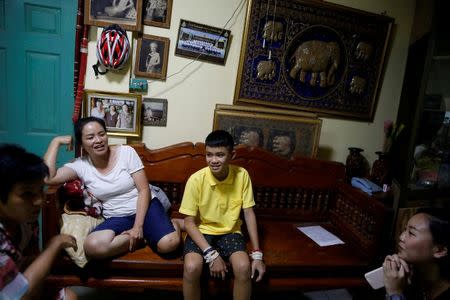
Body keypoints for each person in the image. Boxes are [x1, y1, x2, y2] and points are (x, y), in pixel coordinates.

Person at [43, 117, 183, 260]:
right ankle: (141, 238)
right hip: (117, 216)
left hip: (145, 207)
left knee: (169, 244)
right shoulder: (80, 166)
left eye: (102, 134)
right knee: (92, 246)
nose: (98, 140)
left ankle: (173, 224)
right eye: (90, 137)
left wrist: (137, 227)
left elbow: (144, 190)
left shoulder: (126, 152)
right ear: (82, 144)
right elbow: (48, 178)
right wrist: (56, 142)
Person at [179, 130, 266, 300]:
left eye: (220, 155)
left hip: (230, 232)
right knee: (191, 267)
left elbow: (248, 213)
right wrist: (211, 254)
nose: (213, 160)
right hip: (202, 231)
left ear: (232, 155)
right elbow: (189, 222)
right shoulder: (196, 180)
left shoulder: (242, 175)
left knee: (243, 267)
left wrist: (257, 254)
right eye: (209, 155)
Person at [0, 144, 77, 300]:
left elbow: (29, 263)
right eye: (27, 193)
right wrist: (53, 246)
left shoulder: (27, 221)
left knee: (69, 297)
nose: (38, 201)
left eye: (40, 190)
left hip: (18, 280)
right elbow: (15, 296)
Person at [383, 208, 450, 300]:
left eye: (411, 233)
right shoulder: (411, 278)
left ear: (440, 251)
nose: (401, 237)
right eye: (405, 229)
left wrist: (395, 293)